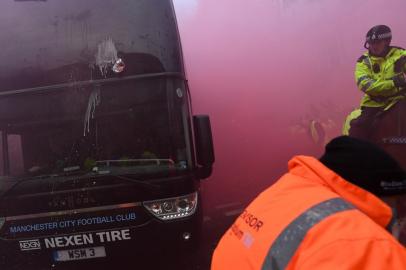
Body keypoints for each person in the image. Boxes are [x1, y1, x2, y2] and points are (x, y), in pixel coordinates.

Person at [211, 136, 406, 270]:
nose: (400, 211)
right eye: (397, 201)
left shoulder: (287, 192)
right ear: (375, 195)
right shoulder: (365, 244)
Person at [347, 25, 406, 139]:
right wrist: (393, 82)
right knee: (357, 130)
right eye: (371, 43)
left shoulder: (401, 55)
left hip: (399, 99)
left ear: (387, 41)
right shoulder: (363, 62)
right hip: (374, 104)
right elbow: (366, 85)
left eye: (378, 42)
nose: (374, 46)